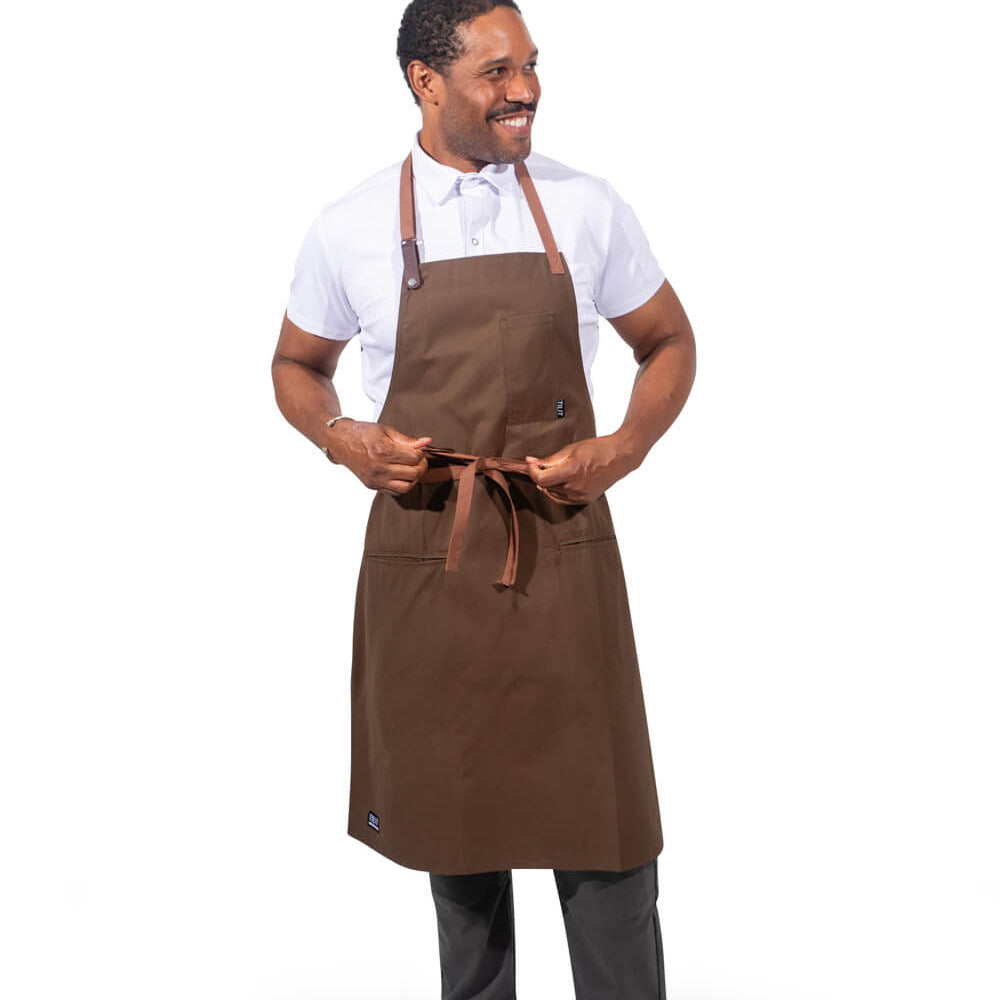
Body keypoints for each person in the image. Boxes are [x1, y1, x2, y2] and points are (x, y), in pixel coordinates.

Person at [271, 1, 696, 996]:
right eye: (496, 73)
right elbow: (296, 365)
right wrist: (342, 438)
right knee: (457, 856)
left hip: (564, 551)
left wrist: (624, 445)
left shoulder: (585, 206)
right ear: (426, 83)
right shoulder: (352, 225)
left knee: (610, 845)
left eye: (532, 66)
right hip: (434, 562)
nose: (526, 91)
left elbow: (668, 340)